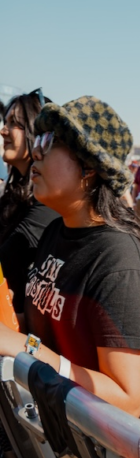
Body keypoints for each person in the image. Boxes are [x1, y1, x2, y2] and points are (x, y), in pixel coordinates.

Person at [0, 96, 140, 441]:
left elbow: (127, 400)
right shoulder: (56, 232)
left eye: (49, 142)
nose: (37, 153)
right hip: (89, 436)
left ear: (90, 168)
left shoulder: (119, 260)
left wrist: (25, 346)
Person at [0, 91, 58, 314]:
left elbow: (6, 260)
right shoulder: (13, 193)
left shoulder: (48, 202)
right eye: (5, 122)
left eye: (14, 123)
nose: (3, 130)